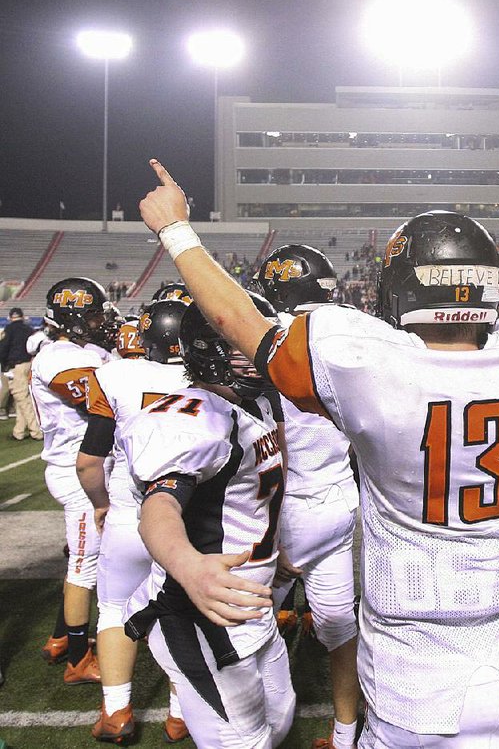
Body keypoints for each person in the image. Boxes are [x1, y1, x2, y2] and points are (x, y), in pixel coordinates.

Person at [138, 158, 499, 746]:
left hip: (408, 671)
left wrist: (176, 230)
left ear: (400, 289)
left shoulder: (367, 362)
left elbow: (237, 321)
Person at [120, 294, 296, 749]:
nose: (261, 352)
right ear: (209, 350)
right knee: (242, 741)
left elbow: (254, 496)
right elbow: (159, 507)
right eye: (244, 343)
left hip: (248, 599)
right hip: (201, 611)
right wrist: (189, 565)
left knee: (280, 718)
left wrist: (273, 551)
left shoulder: (258, 404)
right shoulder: (196, 416)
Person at [256, 244, 360, 749]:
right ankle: (346, 733)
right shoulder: (352, 334)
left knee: (250, 630)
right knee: (340, 630)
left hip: (283, 512)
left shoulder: (268, 342)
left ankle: (260, 728)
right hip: (339, 504)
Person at [76, 302, 191, 744]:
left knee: (114, 609)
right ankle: (181, 715)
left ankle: (117, 712)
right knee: (183, 613)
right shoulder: (211, 383)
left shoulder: (118, 376)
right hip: (183, 520)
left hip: (129, 512)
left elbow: (89, 463)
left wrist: (101, 503)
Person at [31, 277, 119, 684]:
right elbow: (100, 398)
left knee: (81, 555)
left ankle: (61, 636)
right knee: (85, 564)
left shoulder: (86, 350)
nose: (103, 321)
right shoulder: (56, 357)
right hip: (78, 471)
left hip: (93, 466)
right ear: (76, 319)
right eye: (96, 315)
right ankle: (79, 660)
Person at [0, 307, 43, 440]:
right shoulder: (29, 329)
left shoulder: (9, 330)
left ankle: (36, 431)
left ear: (10, 317)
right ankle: (18, 431)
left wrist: (4, 366)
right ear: (22, 316)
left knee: (22, 399)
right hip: (29, 365)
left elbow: (3, 349)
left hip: (17, 366)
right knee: (22, 399)